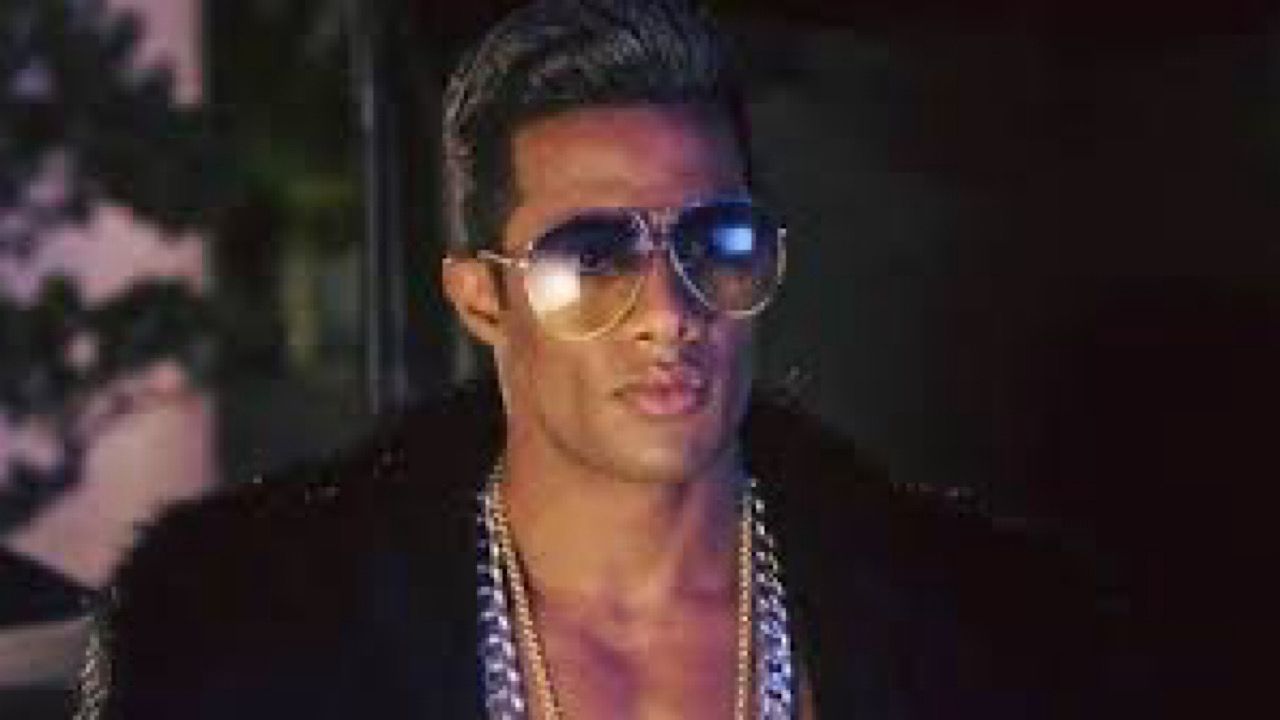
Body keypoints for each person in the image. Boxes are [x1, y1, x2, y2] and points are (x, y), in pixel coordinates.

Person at [77, 1, 1135, 718]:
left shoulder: (989, 637)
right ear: (481, 297)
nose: (667, 314)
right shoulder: (247, 642)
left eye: (716, 243)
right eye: (590, 257)